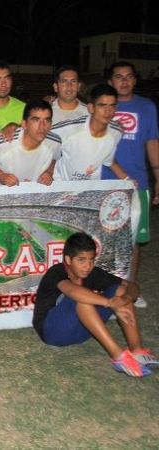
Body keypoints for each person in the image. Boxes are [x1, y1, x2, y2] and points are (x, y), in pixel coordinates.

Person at [32, 232, 158, 377]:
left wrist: (125, 298)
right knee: (82, 299)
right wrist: (110, 303)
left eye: (91, 260)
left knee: (121, 291)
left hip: (82, 332)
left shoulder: (93, 272)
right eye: (81, 260)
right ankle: (119, 357)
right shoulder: (57, 272)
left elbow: (132, 286)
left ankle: (137, 350)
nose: (87, 266)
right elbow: (73, 291)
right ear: (68, 259)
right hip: (53, 332)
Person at [103, 61, 159, 308]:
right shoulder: (101, 105)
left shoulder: (147, 108)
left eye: (129, 77)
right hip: (104, 182)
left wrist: (158, 176)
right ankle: (104, 286)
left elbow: (152, 143)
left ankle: (130, 287)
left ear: (135, 80)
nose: (124, 81)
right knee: (103, 238)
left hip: (137, 183)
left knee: (133, 239)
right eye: (118, 77)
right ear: (110, 82)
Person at [52, 85, 130, 183]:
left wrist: (127, 180)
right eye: (102, 105)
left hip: (89, 189)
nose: (108, 111)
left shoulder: (116, 132)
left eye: (112, 105)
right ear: (91, 108)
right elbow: (41, 140)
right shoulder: (69, 128)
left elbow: (109, 160)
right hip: (60, 186)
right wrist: (47, 172)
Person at [0, 100, 61, 187]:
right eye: (36, 120)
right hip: (1, 195)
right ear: (24, 124)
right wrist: (0, 175)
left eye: (47, 120)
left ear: (51, 124)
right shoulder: (4, 141)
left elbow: (54, 158)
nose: (42, 126)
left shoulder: (55, 142)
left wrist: (49, 172)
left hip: (35, 196)